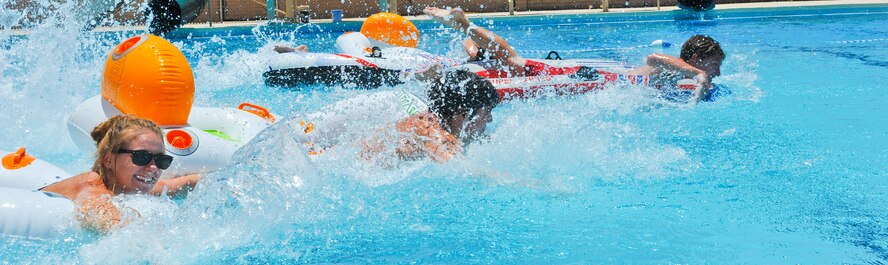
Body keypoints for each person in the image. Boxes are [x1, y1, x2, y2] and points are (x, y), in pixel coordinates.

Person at [423, 6, 725, 100]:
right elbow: (654, 59)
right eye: (713, 65)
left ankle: (469, 36)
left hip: (593, 73)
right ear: (696, 60)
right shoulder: (681, 66)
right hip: (591, 77)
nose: (717, 73)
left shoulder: (685, 73)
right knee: (513, 68)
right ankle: (465, 31)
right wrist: (698, 74)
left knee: (512, 62)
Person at [39, 115, 199, 233]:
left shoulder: (128, 183)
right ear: (108, 160)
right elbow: (112, 224)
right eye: (141, 157)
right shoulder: (93, 191)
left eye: (161, 160)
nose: (153, 168)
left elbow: (182, 184)